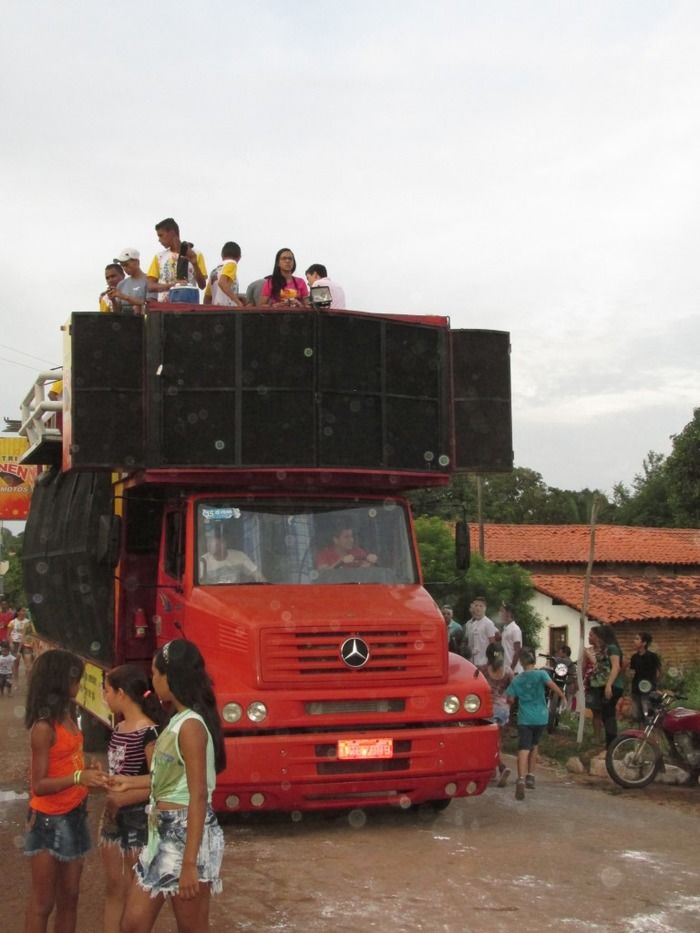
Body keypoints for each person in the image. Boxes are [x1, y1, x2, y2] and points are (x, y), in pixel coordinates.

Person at [116, 640, 226, 933]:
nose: (152, 679)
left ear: (169, 677)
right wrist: (130, 783)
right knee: (133, 924)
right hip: (160, 833)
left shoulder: (190, 725)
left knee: (191, 927)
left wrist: (189, 863)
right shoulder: (176, 719)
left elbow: (198, 794)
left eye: (155, 673)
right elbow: (170, 781)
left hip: (185, 834)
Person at [24, 649, 107, 933]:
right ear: (60, 681)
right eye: (76, 679)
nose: (80, 684)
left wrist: (87, 769)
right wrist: (78, 776)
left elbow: (67, 761)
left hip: (75, 814)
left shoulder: (69, 717)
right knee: (43, 903)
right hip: (48, 820)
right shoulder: (44, 727)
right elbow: (39, 785)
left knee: (70, 898)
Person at [100, 665, 164, 933]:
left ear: (121, 693)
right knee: (115, 886)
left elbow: (160, 782)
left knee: (135, 889)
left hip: (139, 817)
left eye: (107, 690)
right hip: (113, 816)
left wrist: (125, 794)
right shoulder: (119, 727)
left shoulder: (150, 733)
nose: (104, 696)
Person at [506, 647, 565, 800]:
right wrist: (563, 696)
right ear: (533, 661)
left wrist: (513, 700)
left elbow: (510, 700)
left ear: (521, 662)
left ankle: (520, 779)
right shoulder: (541, 674)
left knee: (523, 748)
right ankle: (531, 776)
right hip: (541, 717)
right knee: (535, 745)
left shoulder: (517, 679)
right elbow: (553, 687)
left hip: (525, 718)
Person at [147, 217, 207, 301]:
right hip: (164, 308)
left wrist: (194, 263)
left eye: (161, 235)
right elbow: (150, 286)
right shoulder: (159, 257)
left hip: (188, 306)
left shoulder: (196, 254)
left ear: (171, 233)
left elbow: (202, 285)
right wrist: (172, 285)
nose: (159, 240)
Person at [585, 625, 624, 749]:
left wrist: (608, 686)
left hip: (613, 685)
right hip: (606, 685)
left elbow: (616, 667)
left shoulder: (613, 648)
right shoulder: (606, 649)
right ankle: (610, 744)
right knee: (606, 715)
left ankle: (611, 744)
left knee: (609, 715)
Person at [483, 642, 514, 786]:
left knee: (487, 742)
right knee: (497, 741)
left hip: (488, 710)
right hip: (503, 710)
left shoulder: (483, 670)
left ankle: (497, 769)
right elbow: (512, 693)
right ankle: (497, 769)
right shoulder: (508, 671)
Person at [200, 528, 264, 584]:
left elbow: (257, 574)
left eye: (212, 542)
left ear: (224, 543)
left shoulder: (240, 556)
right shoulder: (202, 561)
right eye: (208, 541)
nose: (209, 545)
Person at [628, 632, 662, 725]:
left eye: (637, 639)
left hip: (648, 690)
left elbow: (658, 672)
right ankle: (640, 736)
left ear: (644, 643)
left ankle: (650, 735)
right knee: (636, 715)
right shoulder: (634, 657)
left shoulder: (652, 656)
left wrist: (655, 687)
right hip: (636, 689)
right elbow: (632, 672)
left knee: (648, 715)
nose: (634, 641)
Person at [204, 242, 243, 307]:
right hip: (227, 309)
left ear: (222, 255)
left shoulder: (214, 271)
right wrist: (238, 302)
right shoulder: (232, 263)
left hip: (216, 309)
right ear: (239, 257)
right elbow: (222, 283)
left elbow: (207, 296)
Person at [114, 248, 150, 313]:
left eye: (126, 264)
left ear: (137, 262)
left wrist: (124, 297)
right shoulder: (121, 284)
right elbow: (117, 312)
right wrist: (112, 300)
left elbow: (150, 305)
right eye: (122, 265)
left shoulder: (150, 280)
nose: (124, 268)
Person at [469, 597, 497, 668]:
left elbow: (493, 644)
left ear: (485, 608)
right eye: (476, 605)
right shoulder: (473, 624)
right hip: (474, 662)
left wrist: (491, 661)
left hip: (485, 662)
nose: (478, 608)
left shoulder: (488, 623)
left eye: (481, 606)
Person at [499, 603, 523, 674]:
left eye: (502, 611)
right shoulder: (505, 628)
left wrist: (511, 669)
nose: (499, 614)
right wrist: (494, 655)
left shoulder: (515, 629)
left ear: (508, 613)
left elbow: (518, 651)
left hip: (514, 671)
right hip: (505, 669)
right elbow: (502, 650)